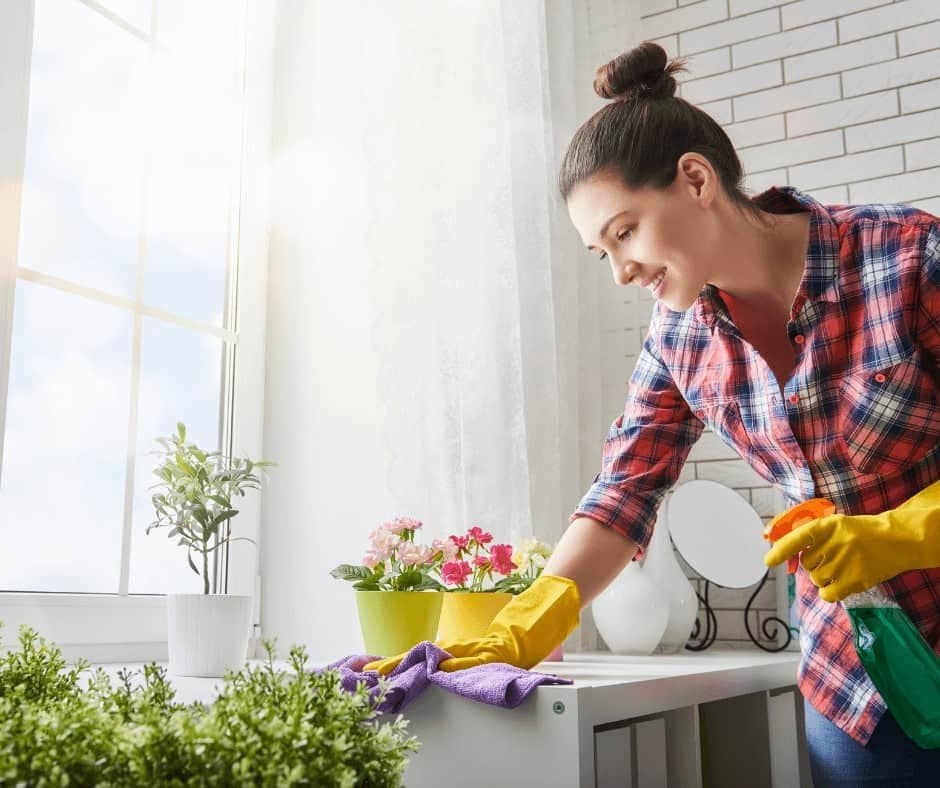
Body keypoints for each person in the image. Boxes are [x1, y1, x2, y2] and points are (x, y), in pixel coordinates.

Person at [365, 41, 940, 785]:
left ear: (695, 179)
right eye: (601, 251)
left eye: (625, 231)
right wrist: (527, 621)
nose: (621, 270)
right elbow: (624, 491)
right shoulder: (678, 340)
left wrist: (898, 534)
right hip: (856, 685)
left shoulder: (906, 258)